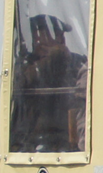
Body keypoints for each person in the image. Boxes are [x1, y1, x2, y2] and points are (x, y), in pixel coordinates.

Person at [11, 15, 89, 152]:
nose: (61, 39)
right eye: (54, 34)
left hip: (70, 142)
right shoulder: (26, 68)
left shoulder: (79, 64)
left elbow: (78, 99)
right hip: (33, 144)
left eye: (60, 35)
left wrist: (59, 58)